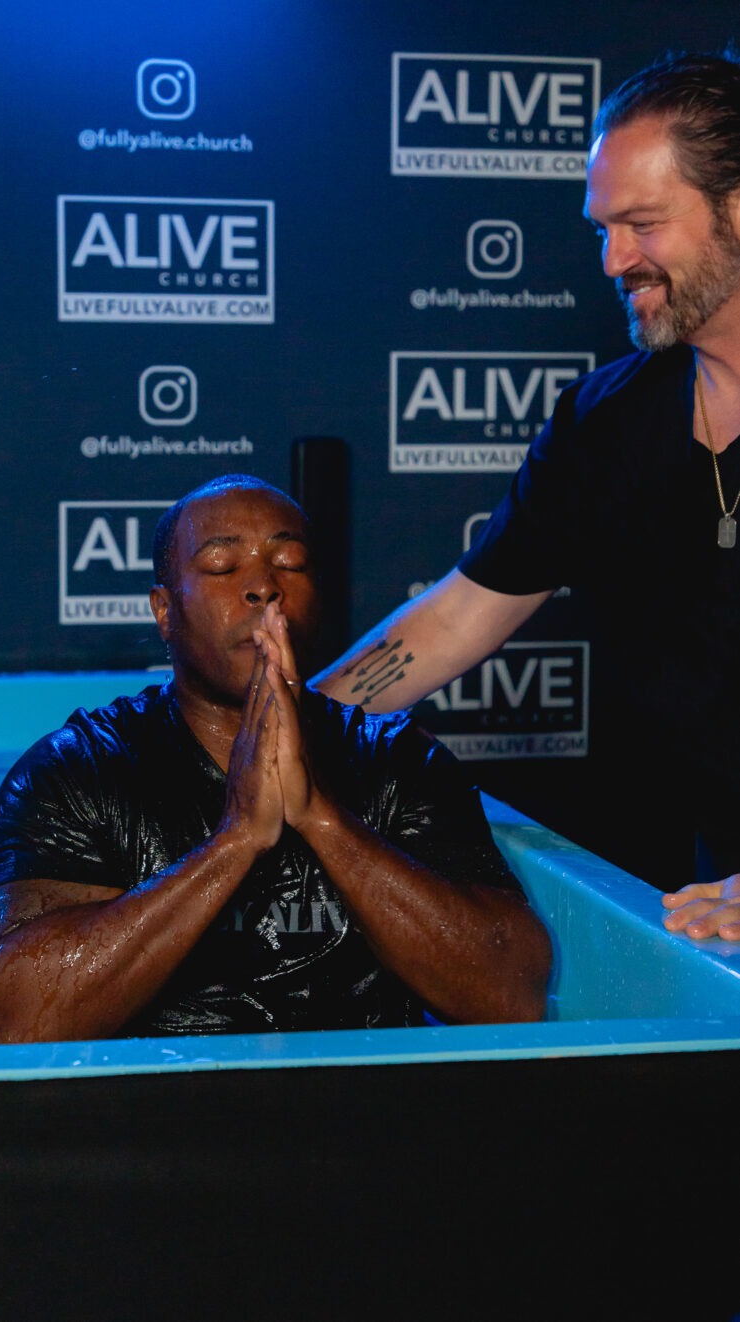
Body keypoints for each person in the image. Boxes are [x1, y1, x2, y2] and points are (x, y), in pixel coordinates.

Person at [312, 50, 740, 932]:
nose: (613, 259)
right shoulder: (603, 421)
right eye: (601, 228)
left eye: (642, 224)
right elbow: (457, 616)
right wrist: (269, 736)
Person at [0, 475, 550, 1042]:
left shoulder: (400, 761)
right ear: (164, 610)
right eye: (223, 567)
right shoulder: (76, 771)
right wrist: (236, 840)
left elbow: (512, 996)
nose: (263, 587)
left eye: (289, 564)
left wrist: (321, 818)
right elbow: (20, 1019)